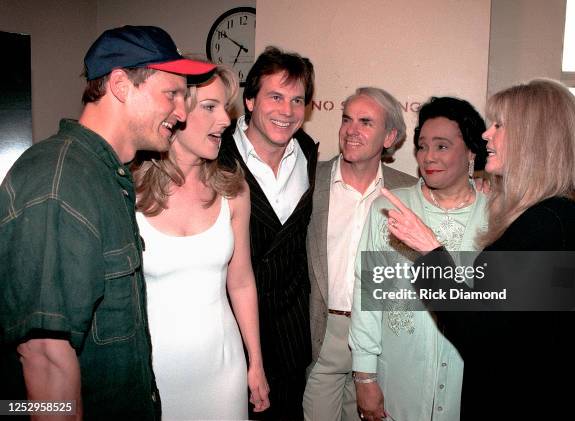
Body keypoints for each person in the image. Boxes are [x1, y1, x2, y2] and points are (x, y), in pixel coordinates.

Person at [0, 26, 215, 419]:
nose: (182, 113)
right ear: (120, 84)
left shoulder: (106, 175)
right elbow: (46, 359)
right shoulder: (60, 181)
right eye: (172, 94)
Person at [381, 79, 575, 419]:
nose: (487, 134)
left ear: (533, 139)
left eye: (500, 125)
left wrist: (430, 250)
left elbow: (483, 335)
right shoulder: (559, 215)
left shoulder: (548, 222)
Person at [131, 63, 269, 420]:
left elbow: (240, 282)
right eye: (210, 107)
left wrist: (256, 362)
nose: (225, 120)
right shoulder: (128, 193)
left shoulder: (233, 190)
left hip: (224, 371)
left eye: (225, 107)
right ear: (175, 111)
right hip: (150, 375)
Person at [349, 96, 488, 421]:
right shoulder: (390, 208)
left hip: (467, 384)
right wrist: (365, 376)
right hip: (398, 384)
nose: (429, 157)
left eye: (442, 146)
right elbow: (366, 292)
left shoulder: (496, 216)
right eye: (423, 146)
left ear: (470, 151)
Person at [303, 87, 416, 421]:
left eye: (366, 122)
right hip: (321, 334)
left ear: (390, 136)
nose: (351, 130)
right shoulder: (310, 180)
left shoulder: (409, 193)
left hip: (380, 342)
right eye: (347, 119)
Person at [217, 46, 317, 421]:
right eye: (275, 96)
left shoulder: (311, 155)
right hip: (228, 334)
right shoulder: (214, 154)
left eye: (297, 100)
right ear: (250, 99)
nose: (287, 110)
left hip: (291, 336)